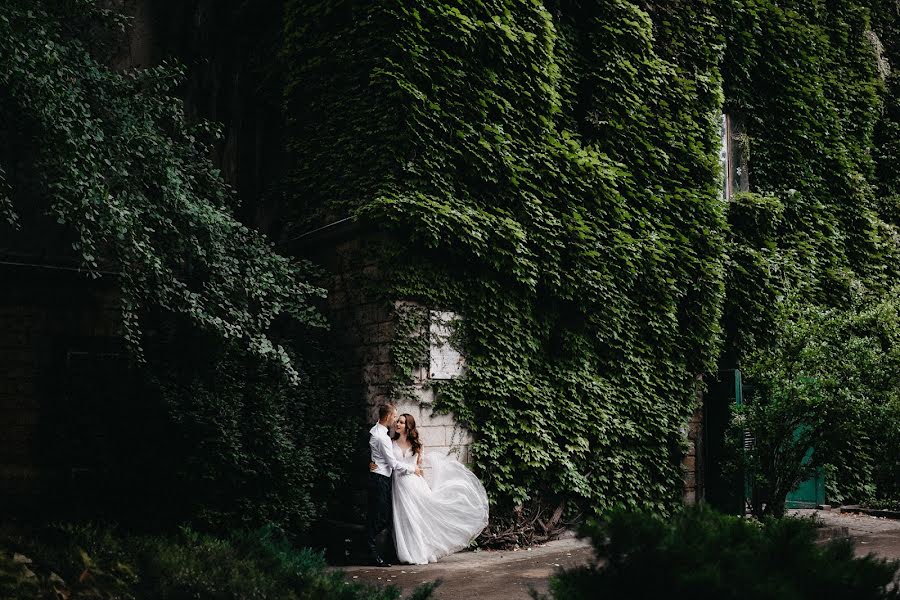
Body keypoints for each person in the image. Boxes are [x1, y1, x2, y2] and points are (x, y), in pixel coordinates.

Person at [388, 413, 489, 565]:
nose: (398, 424)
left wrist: (419, 469)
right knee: (404, 519)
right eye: (397, 422)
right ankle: (408, 553)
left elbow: (419, 466)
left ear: (408, 426)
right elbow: (389, 461)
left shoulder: (417, 445)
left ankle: (421, 552)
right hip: (399, 485)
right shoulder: (391, 442)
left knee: (418, 518)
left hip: (414, 484)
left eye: (401, 422)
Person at [367, 403, 422, 567]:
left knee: (383, 516)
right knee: (381, 517)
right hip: (381, 478)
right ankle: (369, 545)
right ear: (389, 417)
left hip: (386, 478)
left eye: (401, 421)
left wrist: (373, 462)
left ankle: (372, 546)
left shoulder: (376, 431)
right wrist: (412, 469)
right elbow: (392, 463)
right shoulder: (382, 437)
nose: (396, 422)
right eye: (395, 418)